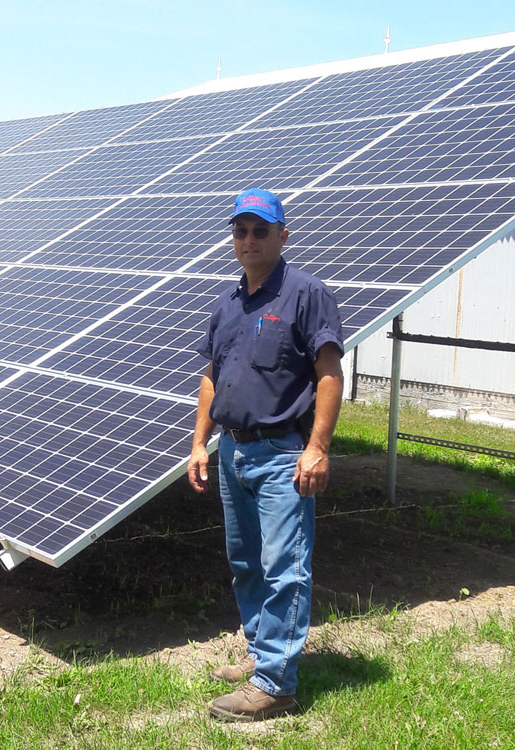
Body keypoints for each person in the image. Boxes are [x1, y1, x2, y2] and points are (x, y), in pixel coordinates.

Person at [188, 188, 344, 722]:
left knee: (285, 568)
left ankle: (277, 683)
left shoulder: (306, 294)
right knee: (246, 564)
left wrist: (317, 447)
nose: (248, 240)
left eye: (260, 230)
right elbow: (212, 377)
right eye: (240, 230)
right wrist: (199, 443)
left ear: (283, 234)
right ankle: (261, 652)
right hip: (232, 452)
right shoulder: (228, 304)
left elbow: (328, 376)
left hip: (282, 455)